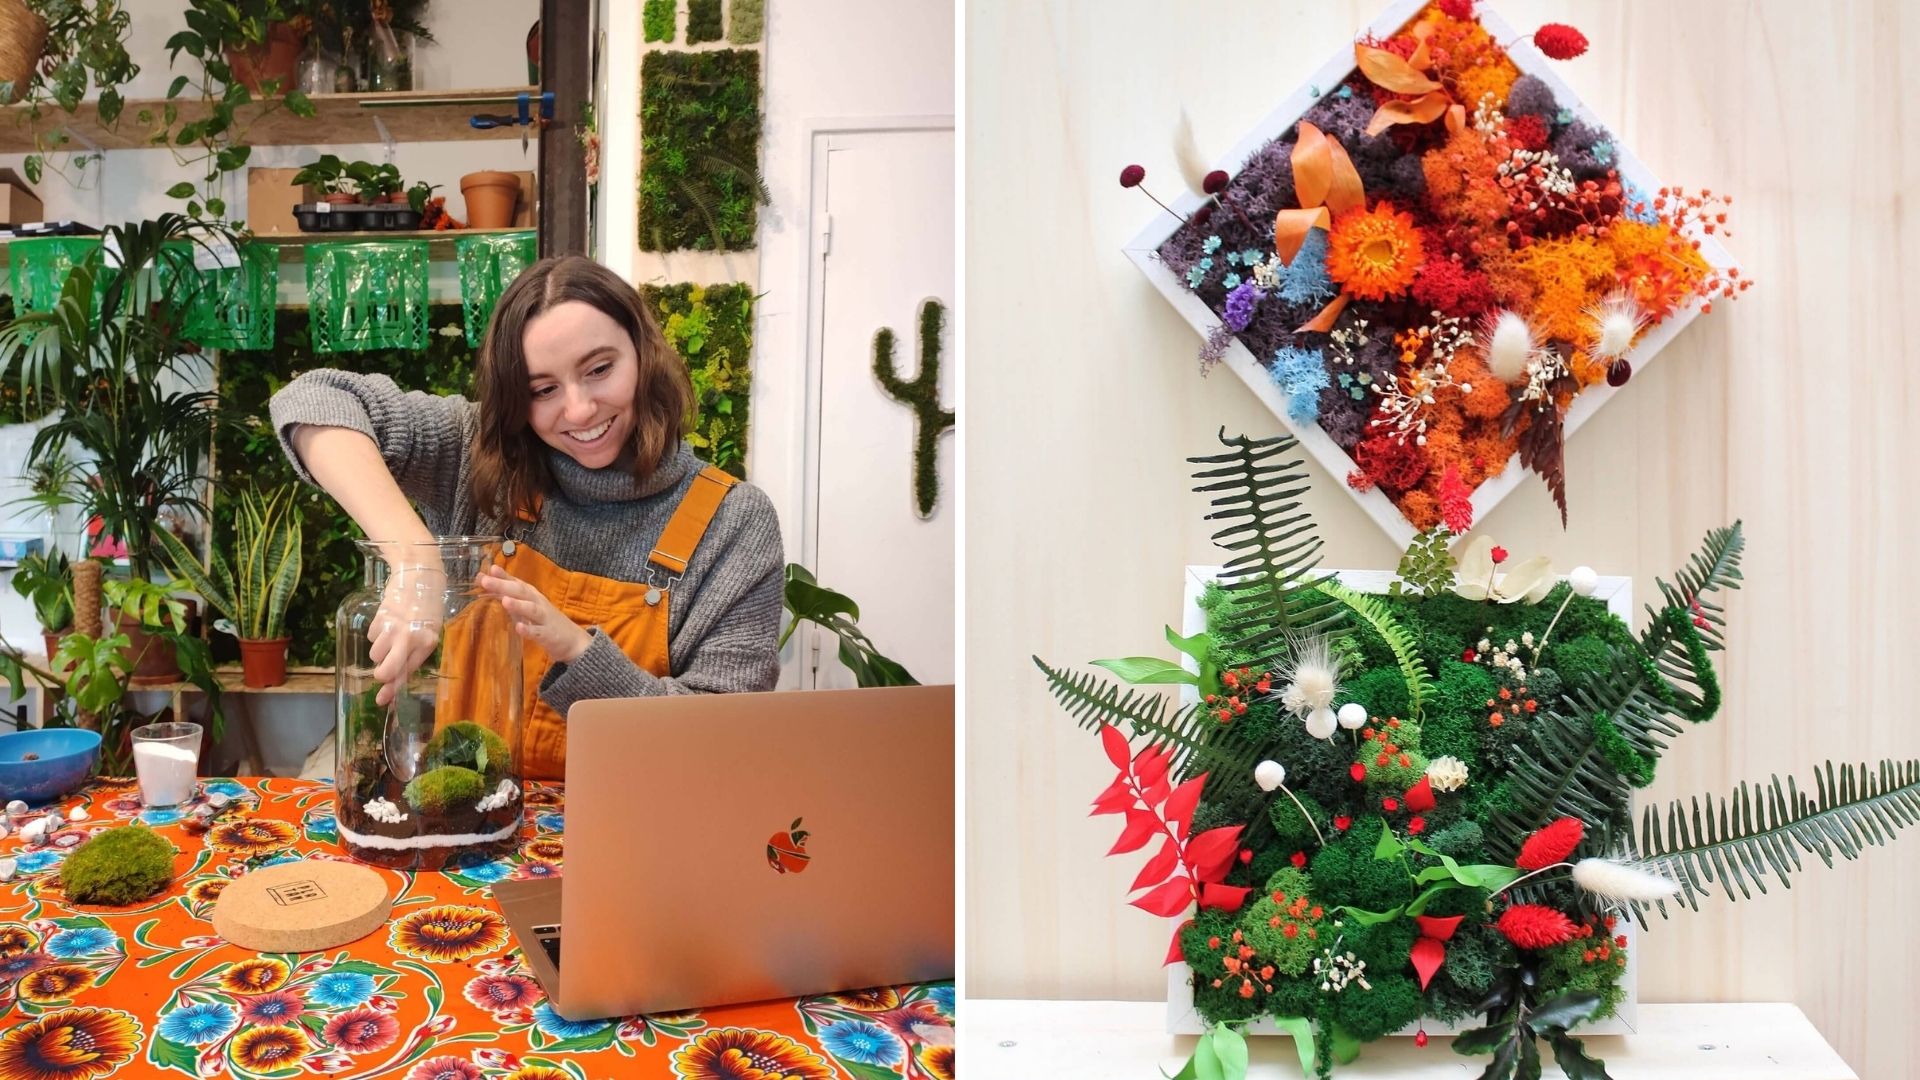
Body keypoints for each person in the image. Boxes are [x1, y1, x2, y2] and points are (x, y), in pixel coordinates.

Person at [271, 255, 784, 781]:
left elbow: (723, 743)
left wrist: (578, 651)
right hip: (466, 822)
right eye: (543, 390)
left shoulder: (734, 523)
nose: (580, 410)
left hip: (636, 828)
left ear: (644, 352)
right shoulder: (476, 453)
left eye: (600, 369)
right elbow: (312, 399)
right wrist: (417, 563)